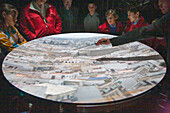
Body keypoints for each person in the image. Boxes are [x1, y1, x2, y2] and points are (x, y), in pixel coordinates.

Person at [96, 0, 169, 79]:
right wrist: (113, 41)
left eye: (162, 4)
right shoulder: (129, 25)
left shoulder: (163, 21)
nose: (160, 7)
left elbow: (142, 33)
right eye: (159, 5)